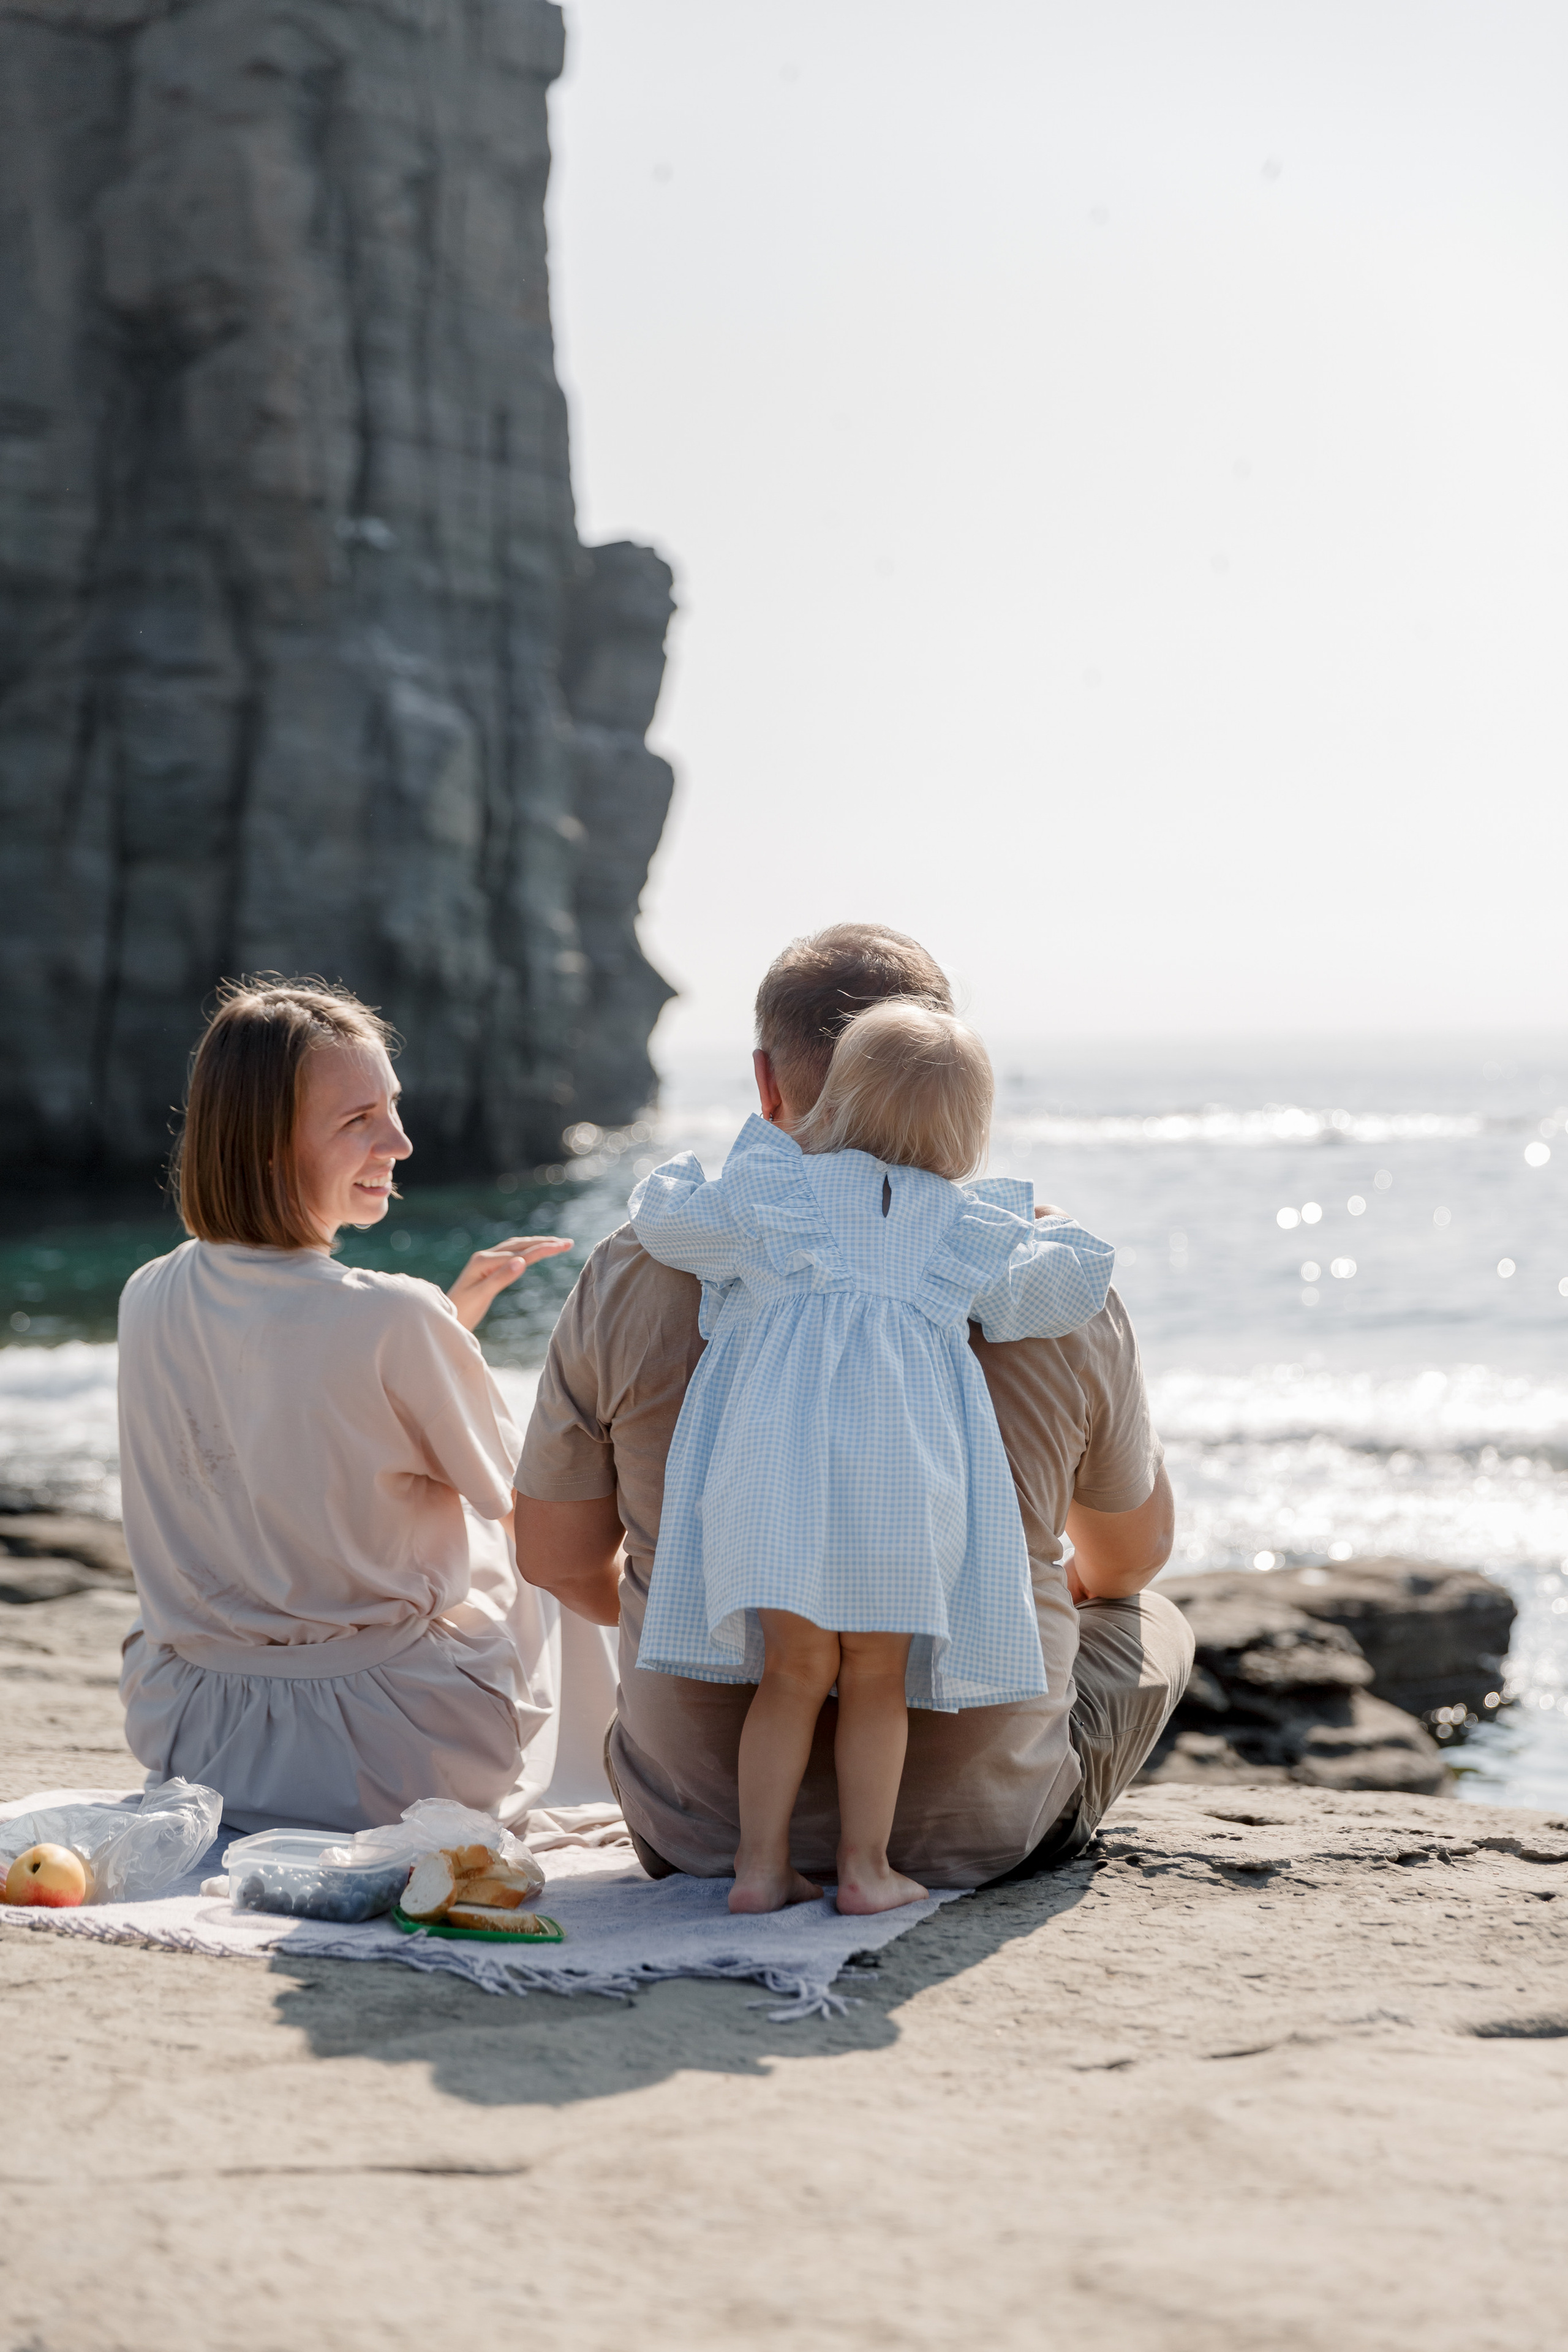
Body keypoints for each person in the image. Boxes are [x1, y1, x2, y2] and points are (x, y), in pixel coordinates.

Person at [515, 924, 1194, 1890]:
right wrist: (996, 1588)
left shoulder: (648, 1259)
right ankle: (883, 1852)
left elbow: (555, 1561)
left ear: (766, 1081)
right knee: (1147, 1615)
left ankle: (761, 1863)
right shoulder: (1018, 1257)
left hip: (694, 1829)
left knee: (785, 1662)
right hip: (989, 1830)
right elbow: (1127, 1561)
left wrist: (717, 1596)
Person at [628, 1000, 1115, 1913]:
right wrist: (1052, 1225)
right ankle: (864, 1869)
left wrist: (674, 1182)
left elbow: (673, 1225)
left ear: (837, 1098)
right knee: (877, 1680)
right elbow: (1058, 1289)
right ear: (969, 1130)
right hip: (905, 1487)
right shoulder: (960, 1226)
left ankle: (759, 1870)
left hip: (773, 1482)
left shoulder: (775, 1196)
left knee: (790, 1674)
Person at [117, 979, 573, 1833]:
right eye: (358, 1120)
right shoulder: (395, 1317)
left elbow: (287, 1407)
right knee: (546, 1549)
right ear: (263, 1147)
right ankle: (603, 1781)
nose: (400, 1142)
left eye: (393, 1108)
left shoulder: (147, 1293)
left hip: (194, 1739)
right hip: (394, 1758)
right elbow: (536, 1523)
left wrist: (447, 1322)